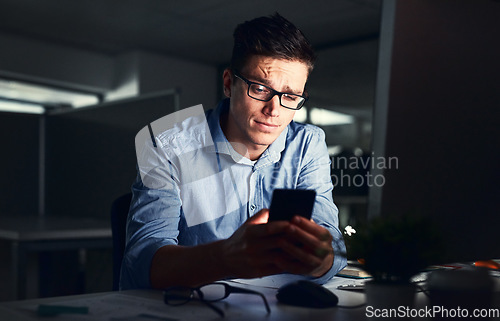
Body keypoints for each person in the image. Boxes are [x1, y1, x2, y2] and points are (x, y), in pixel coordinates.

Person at [120, 13, 346, 290]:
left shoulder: (307, 144)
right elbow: (143, 265)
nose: (274, 110)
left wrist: (320, 258)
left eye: (289, 96)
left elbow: (332, 246)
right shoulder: (167, 144)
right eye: (260, 88)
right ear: (228, 84)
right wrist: (226, 257)